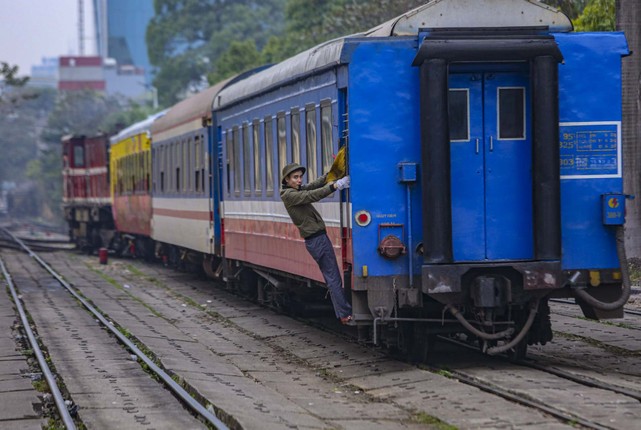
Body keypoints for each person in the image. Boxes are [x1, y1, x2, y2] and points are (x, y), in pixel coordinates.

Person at [280, 163, 353, 324]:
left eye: (300, 177)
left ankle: (343, 312)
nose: (299, 180)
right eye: (295, 177)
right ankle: (344, 314)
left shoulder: (295, 190)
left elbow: (314, 185)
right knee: (333, 277)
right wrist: (336, 185)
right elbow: (313, 195)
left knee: (332, 276)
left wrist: (331, 174)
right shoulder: (289, 195)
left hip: (318, 239)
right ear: (286, 179)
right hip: (316, 240)